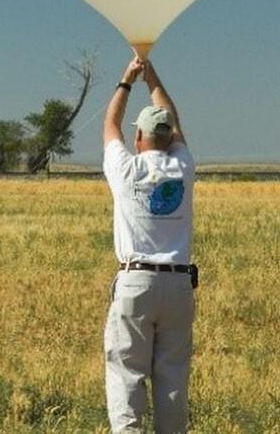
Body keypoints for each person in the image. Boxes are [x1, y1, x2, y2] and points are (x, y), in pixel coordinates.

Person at [101, 57, 196, 434]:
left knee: (127, 372)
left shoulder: (126, 169)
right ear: (171, 137)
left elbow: (109, 126)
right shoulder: (183, 167)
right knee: (173, 377)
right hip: (178, 284)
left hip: (136, 281)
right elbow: (173, 117)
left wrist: (127, 79)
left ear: (138, 137)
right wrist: (152, 76)